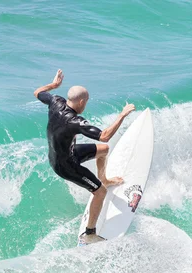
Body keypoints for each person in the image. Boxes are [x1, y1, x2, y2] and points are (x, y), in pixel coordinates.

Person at [34, 69, 135, 244]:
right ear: (81, 101)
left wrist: (54, 85)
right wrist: (122, 115)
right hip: (65, 165)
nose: (85, 105)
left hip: (63, 153)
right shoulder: (74, 121)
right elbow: (104, 135)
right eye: (86, 102)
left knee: (103, 149)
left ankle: (104, 178)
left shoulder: (56, 101)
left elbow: (38, 93)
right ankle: (89, 234)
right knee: (99, 192)